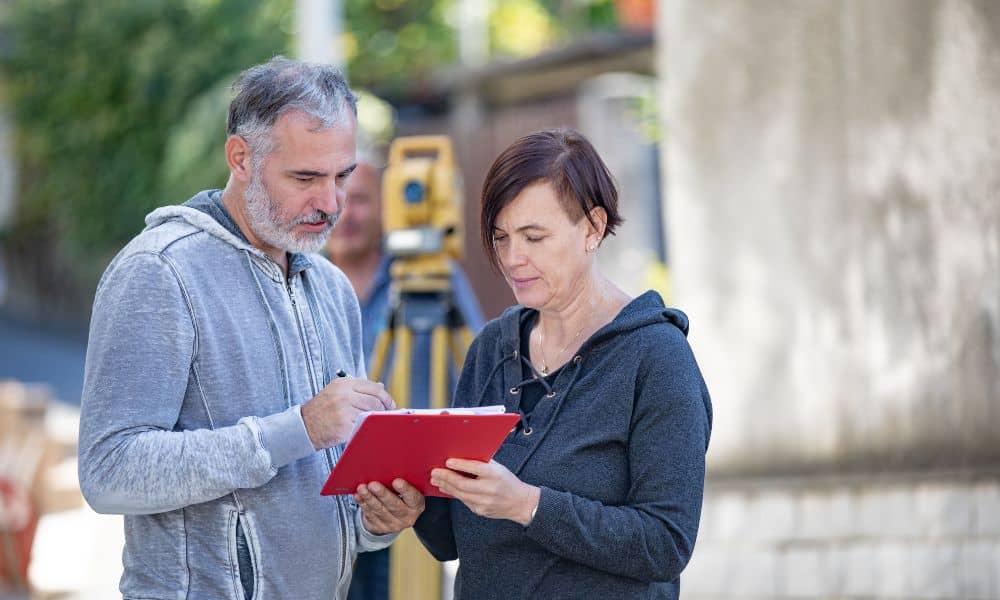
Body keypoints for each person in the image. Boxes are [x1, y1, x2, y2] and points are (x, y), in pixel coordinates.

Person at [78, 57, 425, 600]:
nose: (330, 203)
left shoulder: (332, 288)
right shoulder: (159, 271)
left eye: (342, 176)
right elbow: (109, 472)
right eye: (305, 178)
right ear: (240, 158)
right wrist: (298, 429)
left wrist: (376, 521)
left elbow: (332, 501)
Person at [411, 129, 713, 599]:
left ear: (593, 227)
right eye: (501, 237)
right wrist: (411, 505)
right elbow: (454, 538)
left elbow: (665, 544)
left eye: (534, 237)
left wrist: (528, 505)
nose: (513, 258)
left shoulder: (657, 358)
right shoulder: (491, 348)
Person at [325, 153, 484, 600]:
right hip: (329, 499)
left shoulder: (435, 282)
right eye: (340, 199)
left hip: (409, 493)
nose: (347, 213)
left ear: (385, 206)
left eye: (360, 199)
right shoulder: (307, 285)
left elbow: (478, 373)